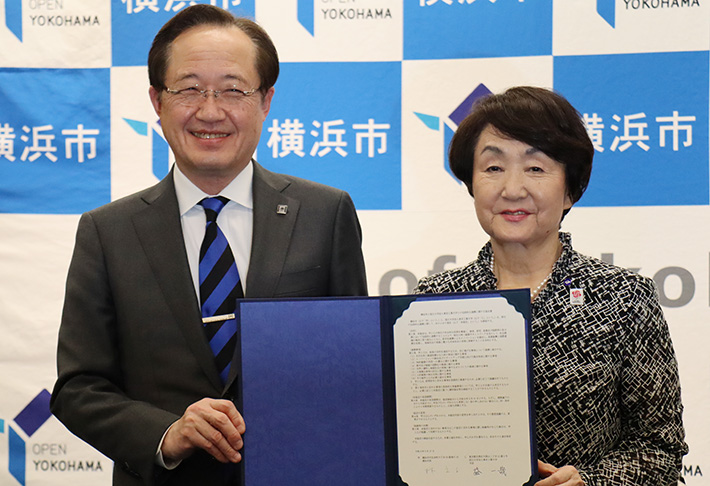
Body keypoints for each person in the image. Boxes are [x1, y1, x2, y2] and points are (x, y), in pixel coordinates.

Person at [50, 5, 367, 486]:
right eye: (190, 89)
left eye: (234, 90)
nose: (210, 110)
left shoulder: (325, 214)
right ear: (157, 101)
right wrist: (167, 433)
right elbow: (79, 387)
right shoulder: (107, 231)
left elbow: (357, 367)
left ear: (266, 101)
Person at [414, 86, 687, 485]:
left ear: (570, 190)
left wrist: (590, 481)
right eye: (493, 168)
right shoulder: (432, 302)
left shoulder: (624, 298)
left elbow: (659, 449)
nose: (512, 189)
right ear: (472, 185)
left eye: (536, 168)